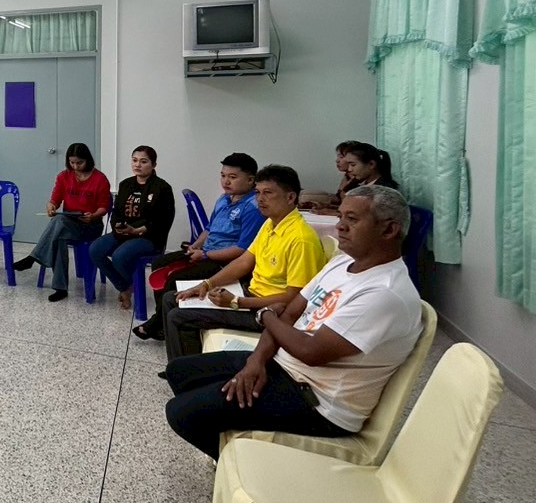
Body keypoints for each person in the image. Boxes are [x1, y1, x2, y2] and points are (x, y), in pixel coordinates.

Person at [162, 186, 424, 460]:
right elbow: (289, 314)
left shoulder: (384, 292)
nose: (340, 226)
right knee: (179, 372)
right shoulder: (342, 263)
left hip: (317, 401)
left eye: (352, 219)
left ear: (389, 230)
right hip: (284, 364)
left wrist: (265, 316)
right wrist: (256, 361)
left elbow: (309, 351)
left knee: (181, 412)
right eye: (341, 216)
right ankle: (231, 441)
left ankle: (239, 466)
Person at [162, 165, 327, 362]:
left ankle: (189, 373)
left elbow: (294, 299)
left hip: (269, 313)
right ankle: (182, 366)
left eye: (268, 193)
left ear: (291, 197)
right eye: (258, 193)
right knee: (172, 298)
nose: (260, 199)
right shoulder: (271, 223)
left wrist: (237, 302)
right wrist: (206, 284)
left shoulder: (301, 239)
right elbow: (243, 261)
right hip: (249, 294)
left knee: (179, 317)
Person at [135, 152, 263, 341]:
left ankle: (158, 323)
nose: (226, 181)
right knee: (159, 264)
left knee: (173, 279)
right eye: (223, 175)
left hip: (224, 263)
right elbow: (209, 229)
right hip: (206, 252)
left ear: (250, 180)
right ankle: (162, 321)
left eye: (232, 177)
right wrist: (194, 247)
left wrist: (205, 255)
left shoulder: (253, 208)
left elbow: (242, 250)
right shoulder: (224, 199)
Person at [12, 143, 113, 302]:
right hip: (68, 223)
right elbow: (54, 200)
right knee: (59, 234)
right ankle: (60, 288)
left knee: (59, 223)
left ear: (88, 160)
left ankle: (33, 258)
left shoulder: (100, 179)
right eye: (72, 163)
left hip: (90, 225)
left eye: (79, 163)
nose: (75, 166)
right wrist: (51, 206)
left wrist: (93, 215)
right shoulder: (63, 176)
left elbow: (103, 207)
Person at [85, 145, 174, 310]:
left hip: (148, 237)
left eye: (143, 161)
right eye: (134, 160)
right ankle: (125, 286)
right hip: (124, 233)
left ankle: (127, 287)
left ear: (154, 165)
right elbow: (116, 212)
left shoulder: (162, 188)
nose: (137, 165)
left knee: (120, 256)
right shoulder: (126, 184)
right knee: (95, 249)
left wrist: (137, 231)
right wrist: (117, 227)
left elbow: (164, 221)